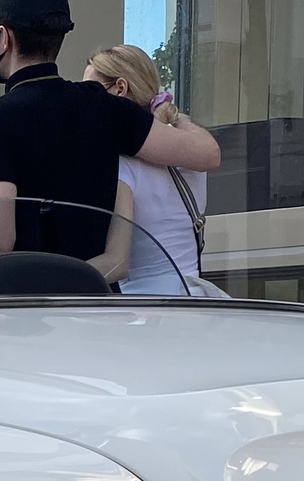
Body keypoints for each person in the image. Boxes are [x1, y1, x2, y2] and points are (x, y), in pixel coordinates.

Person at [0, 0, 220, 264]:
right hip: (97, 299)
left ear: (4, 38)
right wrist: (173, 113)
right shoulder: (100, 103)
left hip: (31, 299)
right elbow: (206, 154)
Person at [84, 44, 220, 296]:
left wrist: (57, 280)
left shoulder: (123, 165)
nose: (87, 102)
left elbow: (117, 262)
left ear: (120, 89)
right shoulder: (190, 152)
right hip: (195, 297)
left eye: (91, 90)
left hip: (147, 309)